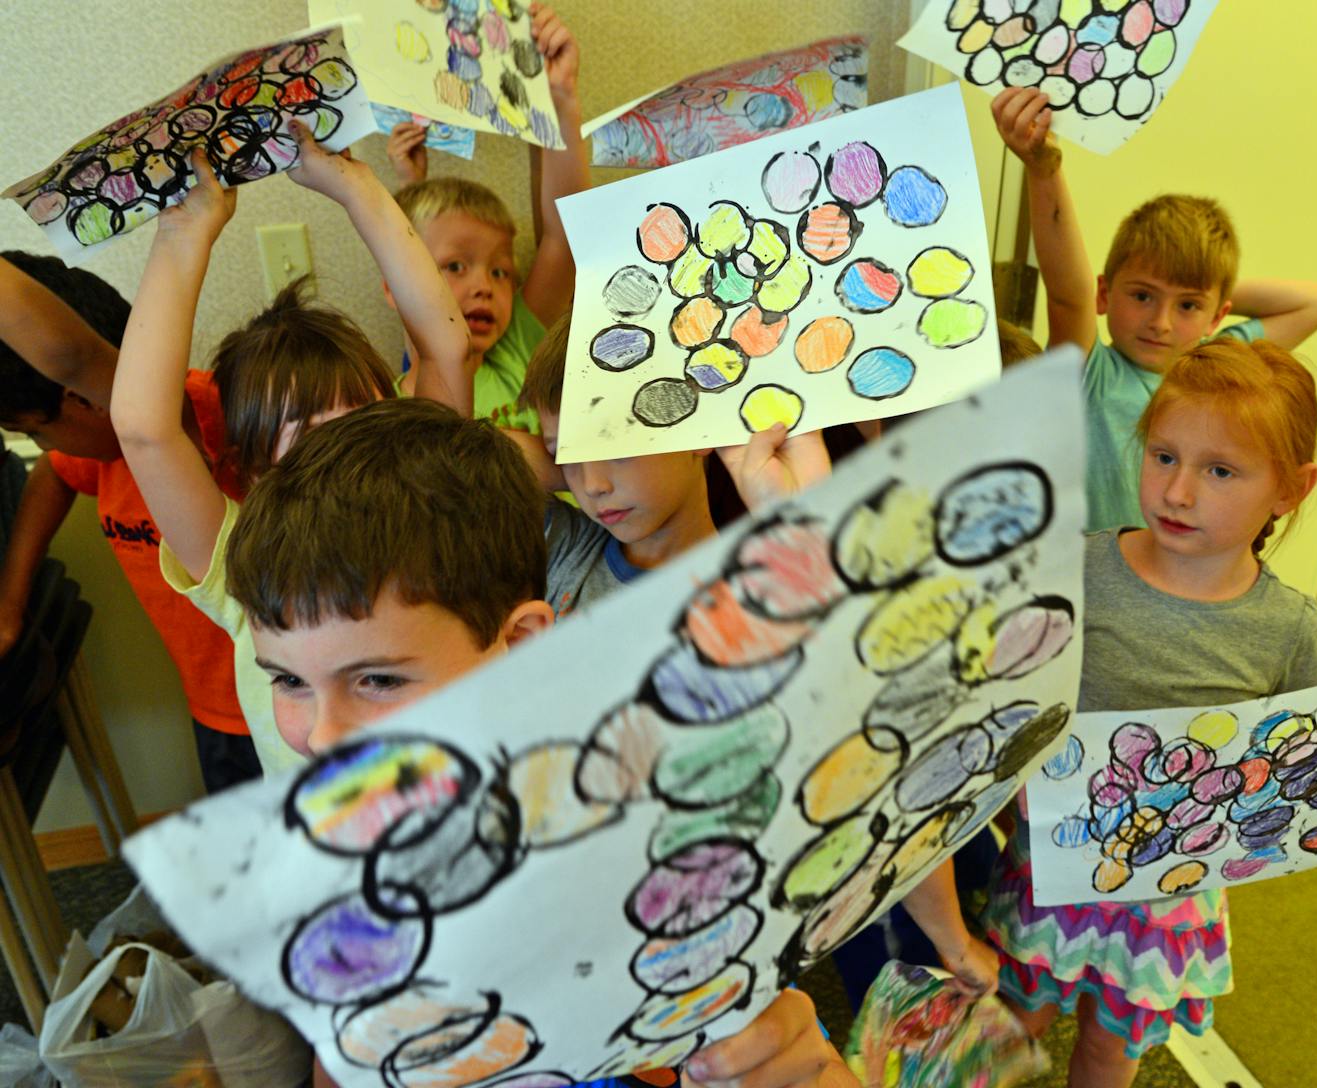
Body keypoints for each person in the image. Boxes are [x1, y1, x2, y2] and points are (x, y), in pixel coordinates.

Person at [222, 397, 860, 1088]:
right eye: (288, 680)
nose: (320, 737)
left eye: (376, 679)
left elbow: (767, 1048)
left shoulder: (648, 865)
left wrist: (796, 1068)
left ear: (519, 644)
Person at [978, 339, 1317, 1086]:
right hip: (1050, 863)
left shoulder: (1288, 627)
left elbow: (1315, 768)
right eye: (1164, 456)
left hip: (1171, 895)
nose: (1177, 493)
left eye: (1219, 471)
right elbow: (1003, 696)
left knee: (1110, 1050)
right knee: (1009, 1022)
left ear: (1290, 489)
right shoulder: (1076, 568)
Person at [109, 126, 468, 775]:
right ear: (251, 470)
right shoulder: (245, 563)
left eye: (359, 416)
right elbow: (142, 427)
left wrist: (356, 187)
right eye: (306, 432)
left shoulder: (432, 500)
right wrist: (183, 237)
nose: (343, 446)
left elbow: (442, 343)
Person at [991, 87, 1317, 533]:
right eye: (1142, 296)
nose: (1161, 322)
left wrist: (1207, 290)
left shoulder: (1220, 371)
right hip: (1090, 581)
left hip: (1178, 578)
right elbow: (1066, 293)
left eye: (1188, 305)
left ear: (1218, 315)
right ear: (1104, 295)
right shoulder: (1089, 370)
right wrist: (1043, 171)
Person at [0, 252, 254, 791]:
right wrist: (11, 600)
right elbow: (54, 475)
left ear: (84, 401)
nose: (44, 447)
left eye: (38, 431)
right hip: (214, 713)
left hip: (292, 703)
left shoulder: (223, 421)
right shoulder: (101, 454)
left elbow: (71, 355)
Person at [389, 2, 590, 435]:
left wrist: (561, 99)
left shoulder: (518, 345)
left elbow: (565, 235)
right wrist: (409, 190)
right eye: (456, 267)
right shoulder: (390, 411)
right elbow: (405, 270)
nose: (484, 286)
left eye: (501, 272)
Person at [516, 313, 721, 616]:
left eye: (611, 441)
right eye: (565, 457)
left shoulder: (751, 591)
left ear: (694, 425)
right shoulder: (568, 548)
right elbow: (468, 454)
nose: (592, 485)